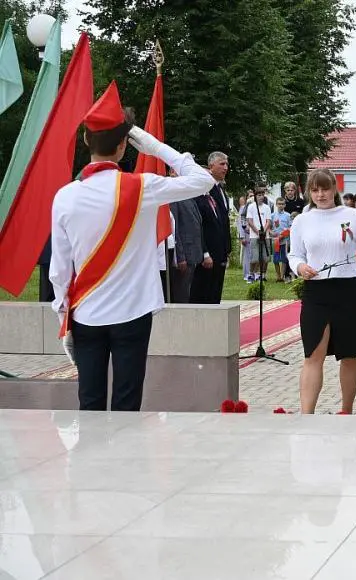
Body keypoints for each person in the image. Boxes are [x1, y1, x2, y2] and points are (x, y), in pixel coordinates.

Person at [49, 81, 216, 411]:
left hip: (86, 313)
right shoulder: (143, 187)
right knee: (127, 405)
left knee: (90, 402)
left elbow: (59, 270)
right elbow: (204, 180)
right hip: (133, 311)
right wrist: (155, 147)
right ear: (125, 145)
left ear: (86, 140)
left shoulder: (65, 197)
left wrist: (62, 317)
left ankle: (89, 447)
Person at [288, 168, 356, 414]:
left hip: (347, 290)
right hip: (316, 292)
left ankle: (346, 411)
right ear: (309, 192)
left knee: (349, 354)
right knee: (313, 354)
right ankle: (306, 414)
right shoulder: (301, 220)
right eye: (315, 190)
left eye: (325, 189)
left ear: (334, 189)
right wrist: (300, 267)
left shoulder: (354, 216)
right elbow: (294, 254)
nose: (320, 194)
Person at [191, 152, 231, 303]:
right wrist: (204, 252)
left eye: (227, 164)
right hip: (208, 251)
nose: (225, 168)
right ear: (211, 166)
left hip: (220, 251)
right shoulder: (201, 192)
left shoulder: (220, 190)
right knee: (203, 293)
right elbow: (198, 225)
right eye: (222, 164)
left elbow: (223, 221)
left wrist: (227, 249)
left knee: (215, 293)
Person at [246, 188, 272, 281]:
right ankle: (251, 274)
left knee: (265, 258)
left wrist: (263, 231)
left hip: (265, 235)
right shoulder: (251, 207)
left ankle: (263, 275)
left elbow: (268, 221)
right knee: (255, 258)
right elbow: (250, 221)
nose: (261, 197)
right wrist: (257, 232)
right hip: (254, 235)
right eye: (259, 195)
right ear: (255, 196)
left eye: (262, 195)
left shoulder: (267, 207)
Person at [271, 197, 292, 282]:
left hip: (285, 240)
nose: (281, 205)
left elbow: (290, 228)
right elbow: (269, 228)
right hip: (275, 240)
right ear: (276, 205)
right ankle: (278, 276)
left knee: (284, 259)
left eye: (282, 204)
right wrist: (271, 233)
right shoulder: (272, 215)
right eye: (279, 204)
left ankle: (282, 277)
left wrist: (283, 235)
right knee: (275, 259)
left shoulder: (288, 215)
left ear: (285, 205)